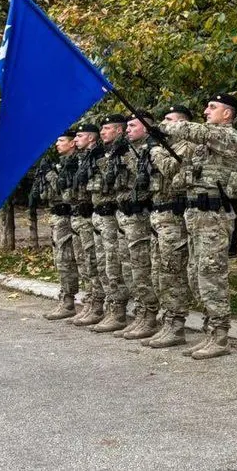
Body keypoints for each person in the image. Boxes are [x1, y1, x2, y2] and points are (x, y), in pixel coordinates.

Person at [163, 93, 237, 360]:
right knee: (195, 275)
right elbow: (182, 179)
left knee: (211, 275)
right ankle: (209, 333)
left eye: (212, 107)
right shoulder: (204, 145)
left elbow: (191, 129)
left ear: (227, 114)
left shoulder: (229, 137)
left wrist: (166, 126)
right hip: (196, 215)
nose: (205, 110)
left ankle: (220, 336)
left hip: (214, 217)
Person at [141, 104, 194, 349]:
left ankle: (176, 324)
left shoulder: (185, 146)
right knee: (159, 272)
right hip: (157, 217)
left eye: (170, 120)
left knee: (172, 272)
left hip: (174, 218)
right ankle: (167, 320)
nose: (164, 123)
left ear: (181, 124)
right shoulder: (163, 147)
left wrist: (155, 150)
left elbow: (172, 169)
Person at [114, 111, 160, 340]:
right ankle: (141, 313)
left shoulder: (153, 150)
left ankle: (150, 316)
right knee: (130, 267)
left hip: (142, 216)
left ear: (146, 127)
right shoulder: (126, 151)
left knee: (142, 268)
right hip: (127, 216)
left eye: (132, 125)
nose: (127, 129)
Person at [87, 113, 133, 334]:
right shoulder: (103, 152)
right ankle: (110, 308)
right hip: (100, 214)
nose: (102, 132)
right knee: (103, 263)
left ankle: (119, 311)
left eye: (107, 129)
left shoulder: (123, 151)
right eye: (102, 129)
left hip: (116, 215)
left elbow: (113, 181)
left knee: (115, 264)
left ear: (118, 131)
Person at [67, 123, 106, 326]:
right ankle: (92, 301)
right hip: (83, 215)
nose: (75, 140)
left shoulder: (100, 157)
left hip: (96, 215)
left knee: (94, 261)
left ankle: (99, 305)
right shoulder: (81, 159)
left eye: (80, 136)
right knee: (85, 262)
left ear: (91, 138)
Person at [40, 132, 81, 320]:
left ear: (72, 143)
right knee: (62, 260)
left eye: (61, 140)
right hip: (59, 216)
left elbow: (65, 189)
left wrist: (50, 175)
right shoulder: (61, 163)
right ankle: (66, 299)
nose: (57, 144)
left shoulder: (77, 162)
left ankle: (72, 301)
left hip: (71, 215)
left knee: (75, 260)